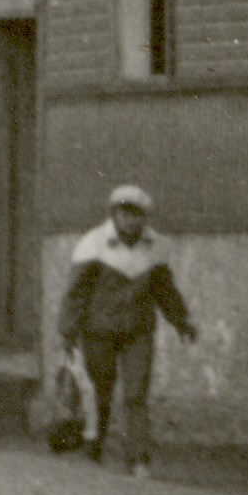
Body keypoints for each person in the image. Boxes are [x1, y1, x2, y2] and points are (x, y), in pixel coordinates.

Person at [59, 183, 197, 477]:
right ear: (114, 213)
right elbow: (76, 293)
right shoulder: (93, 244)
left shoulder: (154, 247)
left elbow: (165, 291)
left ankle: (138, 458)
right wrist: (68, 332)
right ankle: (94, 447)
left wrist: (182, 322)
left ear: (145, 217)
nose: (131, 220)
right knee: (100, 390)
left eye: (137, 214)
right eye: (125, 213)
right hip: (98, 330)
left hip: (138, 331)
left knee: (136, 393)